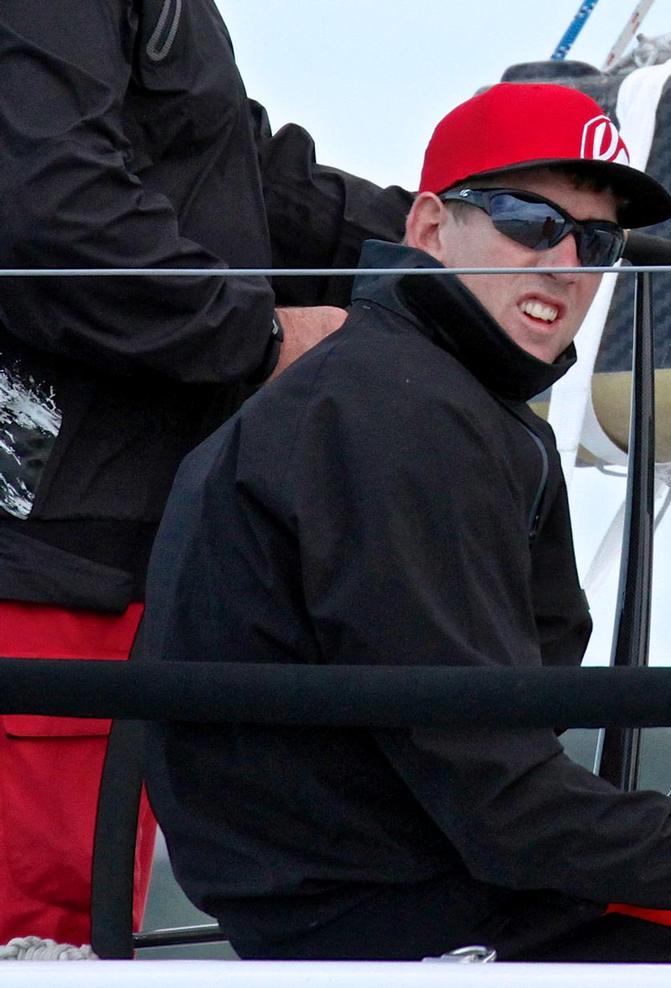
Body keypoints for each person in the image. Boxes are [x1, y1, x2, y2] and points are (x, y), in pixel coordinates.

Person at [142, 82, 671, 965]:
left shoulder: (421, 398)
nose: (567, 264)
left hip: (399, 890)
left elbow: (484, 772)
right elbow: (496, 798)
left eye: (598, 240)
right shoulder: (399, 419)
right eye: (526, 220)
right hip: (412, 918)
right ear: (428, 228)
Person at [0, 1, 410, 948]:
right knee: (43, 944)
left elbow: (237, 174)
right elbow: (56, 215)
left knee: (79, 937)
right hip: (43, 558)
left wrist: (446, 248)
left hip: (109, 558)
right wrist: (262, 335)